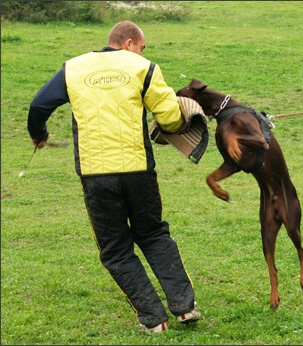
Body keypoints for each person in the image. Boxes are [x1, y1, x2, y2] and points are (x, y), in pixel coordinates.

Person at [27, 21, 200, 332]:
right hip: (138, 171)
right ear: (130, 43)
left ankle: (154, 319)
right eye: (142, 47)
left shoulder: (73, 68)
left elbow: (39, 105)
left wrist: (38, 134)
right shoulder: (143, 67)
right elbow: (171, 118)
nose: (143, 52)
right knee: (153, 235)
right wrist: (180, 122)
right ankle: (184, 307)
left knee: (116, 248)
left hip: (96, 175)